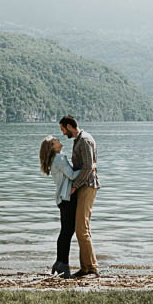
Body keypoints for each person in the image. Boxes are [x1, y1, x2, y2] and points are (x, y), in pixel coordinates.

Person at [59, 114, 99, 278]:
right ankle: (86, 267)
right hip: (83, 186)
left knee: (82, 229)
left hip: (87, 186)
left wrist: (74, 186)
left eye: (62, 129)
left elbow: (89, 166)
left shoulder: (84, 140)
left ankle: (92, 267)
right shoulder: (79, 140)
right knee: (82, 229)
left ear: (69, 126)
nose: (62, 133)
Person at [38, 135, 79, 278]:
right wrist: (88, 168)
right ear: (52, 147)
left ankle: (60, 262)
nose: (60, 141)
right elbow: (73, 175)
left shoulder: (54, 159)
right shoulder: (60, 159)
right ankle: (63, 265)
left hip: (62, 198)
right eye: (56, 141)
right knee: (68, 232)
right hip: (67, 198)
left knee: (65, 232)